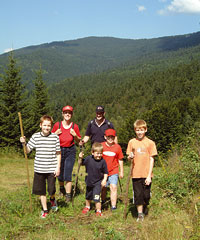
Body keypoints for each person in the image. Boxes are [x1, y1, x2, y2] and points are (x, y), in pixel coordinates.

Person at [20, 115, 61, 219]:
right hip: (39, 168)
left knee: (51, 190)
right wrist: (23, 143)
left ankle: (52, 199)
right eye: (44, 125)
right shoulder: (35, 136)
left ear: (51, 126)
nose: (46, 127)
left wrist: (58, 167)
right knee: (41, 191)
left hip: (51, 168)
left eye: (48, 125)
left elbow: (58, 153)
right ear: (40, 125)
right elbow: (27, 151)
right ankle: (45, 210)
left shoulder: (55, 137)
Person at [126, 119, 157, 222]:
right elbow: (128, 157)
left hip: (146, 174)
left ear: (145, 130)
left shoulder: (150, 143)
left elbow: (152, 159)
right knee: (138, 195)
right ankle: (140, 214)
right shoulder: (132, 142)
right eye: (137, 130)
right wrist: (130, 157)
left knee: (146, 196)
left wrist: (149, 175)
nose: (139, 132)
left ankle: (145, 204)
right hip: (135, 174)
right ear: (135, 130)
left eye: (141, 130)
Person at [52, 105, 81, 202]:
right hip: (58, 150)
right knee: (59, 171)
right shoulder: (57, 125)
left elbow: (79, 142)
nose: (67, 114)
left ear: (71, 114)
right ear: (62, 114)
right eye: (65, 112)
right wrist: (55, 134)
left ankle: (68, 196)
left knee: (68, 172)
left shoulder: (74, 126)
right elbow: (50, 138)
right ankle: (61, 189)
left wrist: (75, 135)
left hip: (70, 151)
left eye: (69, 113)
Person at [79, 142, 108, 216]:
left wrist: (104, 180)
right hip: (89, 181)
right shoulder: (88, 159)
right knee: (88, 196)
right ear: (92, 152)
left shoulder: (103, 161)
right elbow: (80, 163)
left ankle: (98, 210)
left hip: (98, 182)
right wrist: (80, 157)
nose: (99, 155)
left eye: (100, 153)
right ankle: (87, 206)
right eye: (97, 153)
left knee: (96, 196)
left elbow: (106, 172)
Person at [101, 129, 124, 211]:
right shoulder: (101, 146)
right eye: (108, 137)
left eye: (112, 137)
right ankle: (103, 201)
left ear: (114, 137)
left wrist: (121, 171)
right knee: (103, 187)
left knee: (113, 187)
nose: (110, 138)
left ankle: (113, 206)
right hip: (103, 172)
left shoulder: (117, 147)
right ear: (105, 137)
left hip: (113, 170)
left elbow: (120, 159)